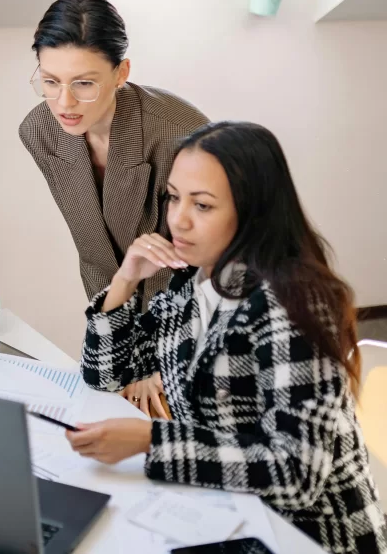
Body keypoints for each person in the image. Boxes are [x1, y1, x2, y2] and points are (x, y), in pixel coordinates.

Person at [66, 122, 386, 554]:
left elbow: (295, 472)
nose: (178, 220)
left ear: (252, 212)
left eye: (202, 205)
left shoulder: (294, 302)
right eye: (174, 197)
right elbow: (106, 375)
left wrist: (150, 440)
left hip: (310, 535)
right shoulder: (191, 282)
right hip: (225, 509)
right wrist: (125, 280)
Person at [19, 0, 208, 416]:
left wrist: (153, 360)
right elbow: (98, 253)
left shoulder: (183, 134)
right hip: (115, 313)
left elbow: (199, 262)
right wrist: (118, 352)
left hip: (193, 320)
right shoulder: (39, 131)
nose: (64, 103)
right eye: (50, 81)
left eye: (84, 83)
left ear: (121, 72)